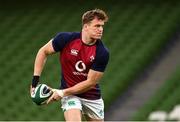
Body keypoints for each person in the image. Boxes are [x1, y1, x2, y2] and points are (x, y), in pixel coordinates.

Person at [30, 8, 109, 121]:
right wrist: (35, 80)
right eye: (97, 26)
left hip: (91, 97)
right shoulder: (65, 39)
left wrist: (62, 92)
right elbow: (43, 51)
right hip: (71, 95)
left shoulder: (102, 52)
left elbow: (91, 82)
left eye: (102, 26)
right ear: (86, 27)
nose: (101, 29)